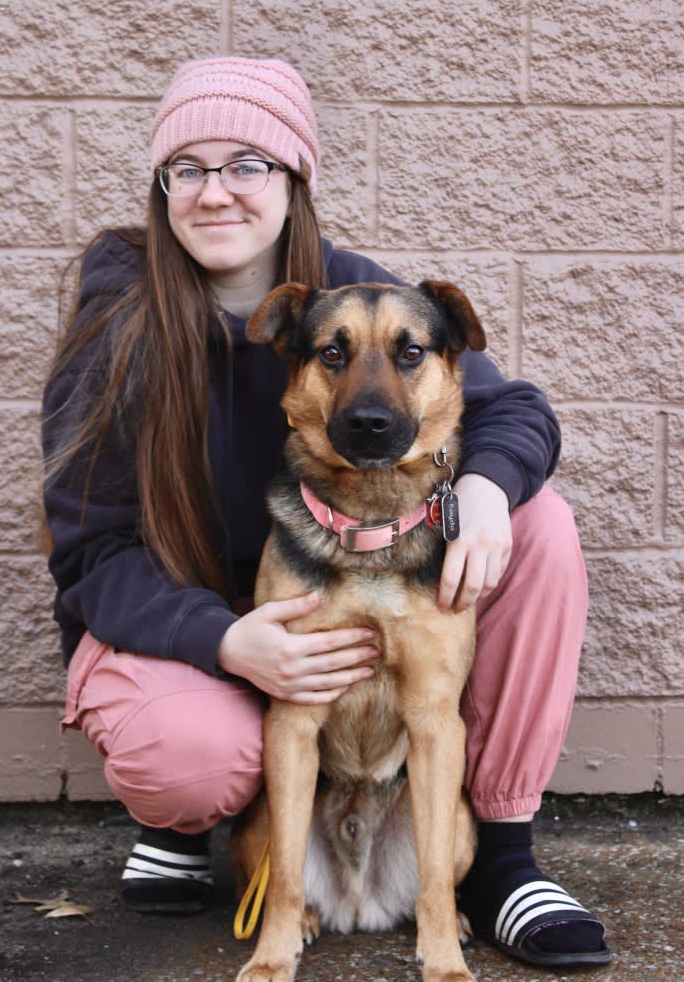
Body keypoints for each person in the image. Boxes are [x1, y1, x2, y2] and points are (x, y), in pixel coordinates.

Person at [41, 55, 609, 969]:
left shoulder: (358, 294)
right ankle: (195, 820)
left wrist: (487, 489)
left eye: (247, 164)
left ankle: (502, 859)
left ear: (293, 179)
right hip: (190, 630)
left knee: (542, 526)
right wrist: (225, 640)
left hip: (354, 572)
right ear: (161, 188)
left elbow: (515, 407)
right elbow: (94, 554)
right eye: (187, 168)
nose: (216, 192)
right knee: (196, 754)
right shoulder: (120, 326)